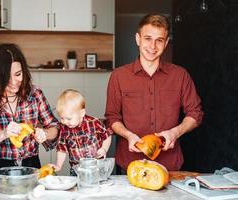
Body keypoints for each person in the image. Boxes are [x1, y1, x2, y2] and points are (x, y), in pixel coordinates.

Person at [105, 14, 204, 172]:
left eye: (159, 40)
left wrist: (175, 132)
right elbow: (112, 117)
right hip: (130, 163)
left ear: (165, 44)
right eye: (147, 38)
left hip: (170, 164)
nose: (153, 46)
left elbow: (195, 113)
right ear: (138, 39)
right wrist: (129, 135)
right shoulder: (118, 76)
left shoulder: (180, 75)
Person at [0, 43, 59, 176]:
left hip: (32, 165)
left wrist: (45, 133)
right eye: (6, 78)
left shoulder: (35, 95)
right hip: (0, 167)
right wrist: (3, 134)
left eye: (18, 74)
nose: (13, 82)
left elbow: (54, 127)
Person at [47, 89, 112, 175]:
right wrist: (58, 165)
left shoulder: (94, 123)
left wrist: (104, 149)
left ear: (82, 113)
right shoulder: (64, 129)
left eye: (69, 118)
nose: (65, 122)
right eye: (62, 118)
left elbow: (107, 135)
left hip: (96, 168)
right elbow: (62, 149)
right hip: (77, 171)